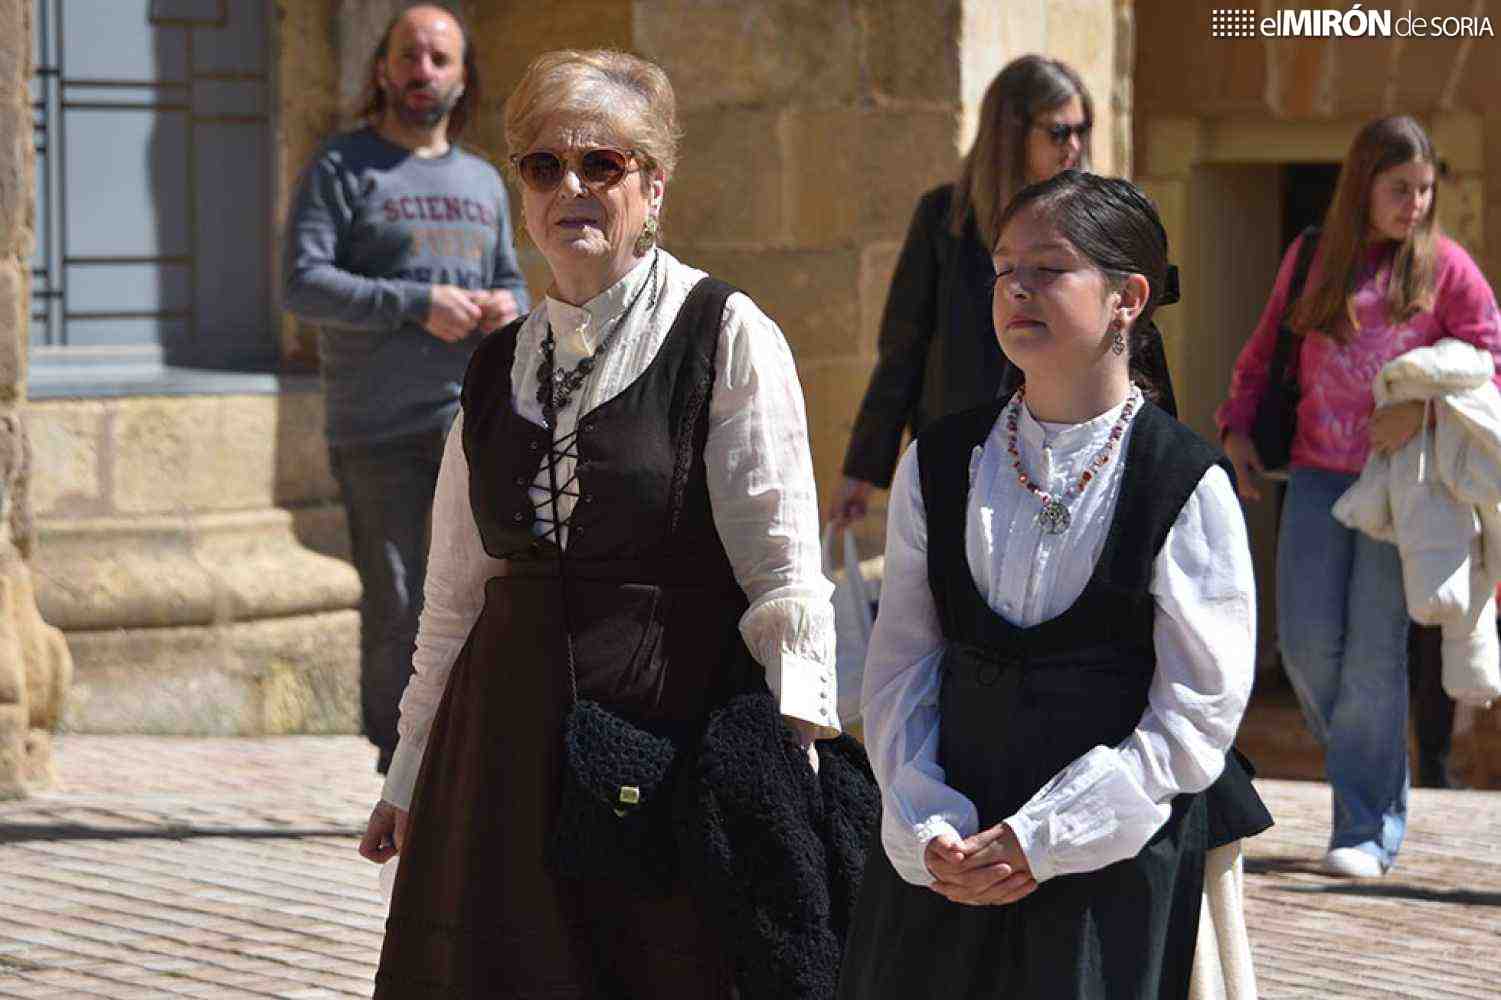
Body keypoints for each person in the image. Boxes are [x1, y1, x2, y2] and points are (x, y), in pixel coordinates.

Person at [357, 49, 876, 999]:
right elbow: (452, 597)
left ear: (653, 186)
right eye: (543, 165)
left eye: (603, 164)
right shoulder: (494, 366)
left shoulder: (724, 332)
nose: (572, 187)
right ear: (521, 193)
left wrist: (795, 760)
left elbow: (783, 571)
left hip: (666, 743)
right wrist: (409, 779)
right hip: (502, 753)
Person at [839, 171, 1268, 999]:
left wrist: (1049, 836)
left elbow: (1195, 710)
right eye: (1004, 269)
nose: (1017, 290)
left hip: (1105, 860)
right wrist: (930, 822)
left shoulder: (1180, 479)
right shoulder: (937, 461)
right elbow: (899, 665)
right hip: (951, 849)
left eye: (1049, 268)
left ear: (1126, 297)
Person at [1218, 115, 1501, 876]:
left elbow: (1490, 363)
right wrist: (1235, 429)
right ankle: (1367, 768)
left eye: (1423, 190)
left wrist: (1425, 410)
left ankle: (1365, 828)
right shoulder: (1312, 257)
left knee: (1374, 657)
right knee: (1308, 649)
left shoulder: (1445, 268)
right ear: (1362, 187)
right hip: (1312, 476)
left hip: (1400, 488)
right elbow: (1258, 355)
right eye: (1397, 188)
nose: (1412, 204)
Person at [282, 5, 529, 776]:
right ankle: (399, 762)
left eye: (439, 58)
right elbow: (303, 284)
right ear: (383, 71)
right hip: (376, 427)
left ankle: (460, 760)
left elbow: (510, 279)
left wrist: (505, 308)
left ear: (461, 78)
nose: (423, 70)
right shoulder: (341, 167)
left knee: (476, 594)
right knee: (395, 602)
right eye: (409, 56)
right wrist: (416, 302)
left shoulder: (484, 180)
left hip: (472, 426)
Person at [830, 55, 1177, 528]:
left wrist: (1166, 452)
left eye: (1083, 129)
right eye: (1058, 132)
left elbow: (1139, 336)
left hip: (1076, 452)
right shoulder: (944, 218)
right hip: (964, 449)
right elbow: (902, 350)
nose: (1074, 145)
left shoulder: (1105, 224)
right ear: (1012, 133)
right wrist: (863, 469)